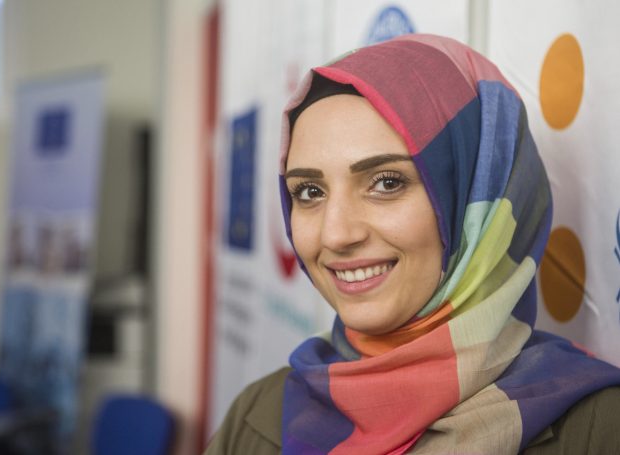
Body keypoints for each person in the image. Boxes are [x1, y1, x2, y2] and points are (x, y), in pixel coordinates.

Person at [205, 34, 620, 454]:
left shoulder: (597, 431)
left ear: (476, 203)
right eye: (309, 191)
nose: (335, 234)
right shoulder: (258, 415)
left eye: (386, 183)